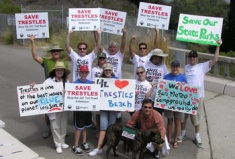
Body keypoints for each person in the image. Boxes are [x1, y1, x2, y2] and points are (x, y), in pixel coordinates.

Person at [178, 39, 222, 148]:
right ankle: (183, 134)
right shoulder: (186, 67)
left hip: (196, 97)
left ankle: (197, 136)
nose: (192, 58)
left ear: (197, 58)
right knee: (183, 117)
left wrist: (218, 46)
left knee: (196, 118)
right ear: (188, 58)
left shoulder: (202, 66)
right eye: (190, 57)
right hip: (185, 96)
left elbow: (215, 59)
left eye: (194, 57)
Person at [30, 35, 68, 139]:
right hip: (49, 88)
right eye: (54, 51)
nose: (56, 52)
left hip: (61, 88)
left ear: (60, 52)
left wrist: (70, 88)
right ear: (51, 52)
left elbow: (67, 76)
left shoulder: (64, 63)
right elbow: (35, 57)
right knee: (48, 111)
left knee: (61, 110)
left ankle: (60, 129)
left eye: (58, 51)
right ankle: (48, 127)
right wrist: (33, 42)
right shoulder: (47, 61)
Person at [88, 63, 119, 157]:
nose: (108, 72)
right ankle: (99, 148)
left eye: (109, 70)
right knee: (103, 127)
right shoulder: (99, 81)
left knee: (111, 127)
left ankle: (112, 145)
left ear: (112, 71)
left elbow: (122, 94)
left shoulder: (116, 80)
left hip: (113, 108)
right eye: (106, 70)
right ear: (103, 71)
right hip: (103, 107)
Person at [43, 61, 70, 154]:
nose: (60, 71)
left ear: (64, 71)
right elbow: (41, 92)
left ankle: (62, 141)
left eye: (61, 70)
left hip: (65, 107)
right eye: (58, 70)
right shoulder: (48, 81)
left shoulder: (66, 81)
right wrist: (33, 87)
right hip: (54, 108)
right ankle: (58, 144)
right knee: (55, 126)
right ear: (55, 71)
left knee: (63, 125)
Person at [163, 60, 187, 149]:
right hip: (169, 104)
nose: (175, 68)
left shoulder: (183, 78)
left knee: (177, 122)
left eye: (177, 67)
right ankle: (169, 139)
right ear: (171, 67)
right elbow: (163, 90)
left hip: (179, 104)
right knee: (169, 122)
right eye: (173, 66)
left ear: (179, 68)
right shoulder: (166, 77)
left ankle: (175, 139)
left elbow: (186, 91)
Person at [72, 65, 93, 156]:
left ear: (88, 73)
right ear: (79, 73)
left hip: (88, 110)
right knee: (79, 128)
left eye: (85, 72)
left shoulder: (91, 83)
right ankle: (75, 146)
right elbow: (70, 95)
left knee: (85, 126)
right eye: (82, 72)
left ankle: (84, 142)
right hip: (79, 110)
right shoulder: (75, 83)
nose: (84, 74)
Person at [144, 49, 169, 115]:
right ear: (153, 56)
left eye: (160, 57)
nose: (159, 59)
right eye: (158, 57)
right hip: (147, 96)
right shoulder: (145, 65)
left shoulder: (163, 66)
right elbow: (140, 78)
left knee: (157, 117)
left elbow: (167, 79)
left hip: (158, 98)